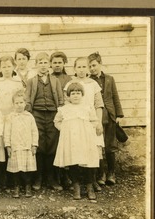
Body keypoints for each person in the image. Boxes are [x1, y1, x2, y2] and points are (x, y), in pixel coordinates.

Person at [64, 57, 105, 192]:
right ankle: (77, 182)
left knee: (92, 151)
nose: (81, 70)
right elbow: (67, 104)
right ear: (74, 69)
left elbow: (98, 105)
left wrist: (98, 123)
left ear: (88, 68)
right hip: (75, 123)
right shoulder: (70, 84)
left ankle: (92, 181)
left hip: (90, 121)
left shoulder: (93, 84)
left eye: (84, 67)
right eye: (79, 67)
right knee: (77, 150)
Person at [25, 52, 64, 191]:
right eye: (40, 63)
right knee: (39, 146)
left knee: (52, 146)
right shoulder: (32, 81)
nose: (43, 65)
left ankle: (51, 178)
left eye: (45, 62)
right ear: (36, 65)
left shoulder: (55, 81)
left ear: (49, 65)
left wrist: (60, 114)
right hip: (37, 115)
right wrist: (29, 115)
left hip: (53, 115)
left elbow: (60, 99)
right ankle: (38, 178)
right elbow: (28, 100)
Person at [54, 82, 100, 200]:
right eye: (73, 93)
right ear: (68, 96)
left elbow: (94, 121)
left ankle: (89, 187)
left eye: (78, 93)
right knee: (73, 162)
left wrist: (89, 129)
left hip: (85, 139)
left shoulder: (88, 107)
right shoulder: (64, 109)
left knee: (87, 162)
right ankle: (76, 187)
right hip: (71, 140)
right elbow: (57, 121)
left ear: (82, 95)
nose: (75, 96)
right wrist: (64, 130)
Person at [88, 52, 124, 185]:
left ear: (100, 64)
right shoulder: (89, 81)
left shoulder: (109, 79)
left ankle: (111, 173)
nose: (92, 68)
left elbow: (115, 97)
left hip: (109, 115)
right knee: (98, 145)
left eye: (94, 65)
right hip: (97, 116)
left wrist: (119, 115)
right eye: (90, 66)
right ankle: (101, 174)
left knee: (110, 145)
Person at [0, 55, 24, 188]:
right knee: (1, 146)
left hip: (14, 117)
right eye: (3, 67)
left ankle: (14, 177)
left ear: (13, 67)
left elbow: (20, 100)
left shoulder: (18, 83)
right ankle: (2, 178)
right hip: (0, 118)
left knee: (13, 144)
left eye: (9, 66)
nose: (6, 69)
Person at [4, 90, 38, 198]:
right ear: (13, 104)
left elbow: (34, 131)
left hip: (27, 147)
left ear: (25, 103)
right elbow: (7, 132)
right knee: (16, 169)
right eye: (16, 103)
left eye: (21, 103)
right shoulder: (10, 117)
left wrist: (34, 145)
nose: (19, 105)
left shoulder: (29, 116)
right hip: (15, 147)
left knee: (27, 169)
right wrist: (8, 146)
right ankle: (16, 187)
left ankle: (27, 186)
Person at [50, 51, 73, 189]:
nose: (57, 65)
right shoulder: (49, 78)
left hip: (66, 116)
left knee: (67, 146)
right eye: (54, 63)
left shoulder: (69, 79)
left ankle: (67, 177)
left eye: (60, 62)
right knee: (54, 146)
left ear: (64, 63)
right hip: (54, 116)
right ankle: (55, 177)